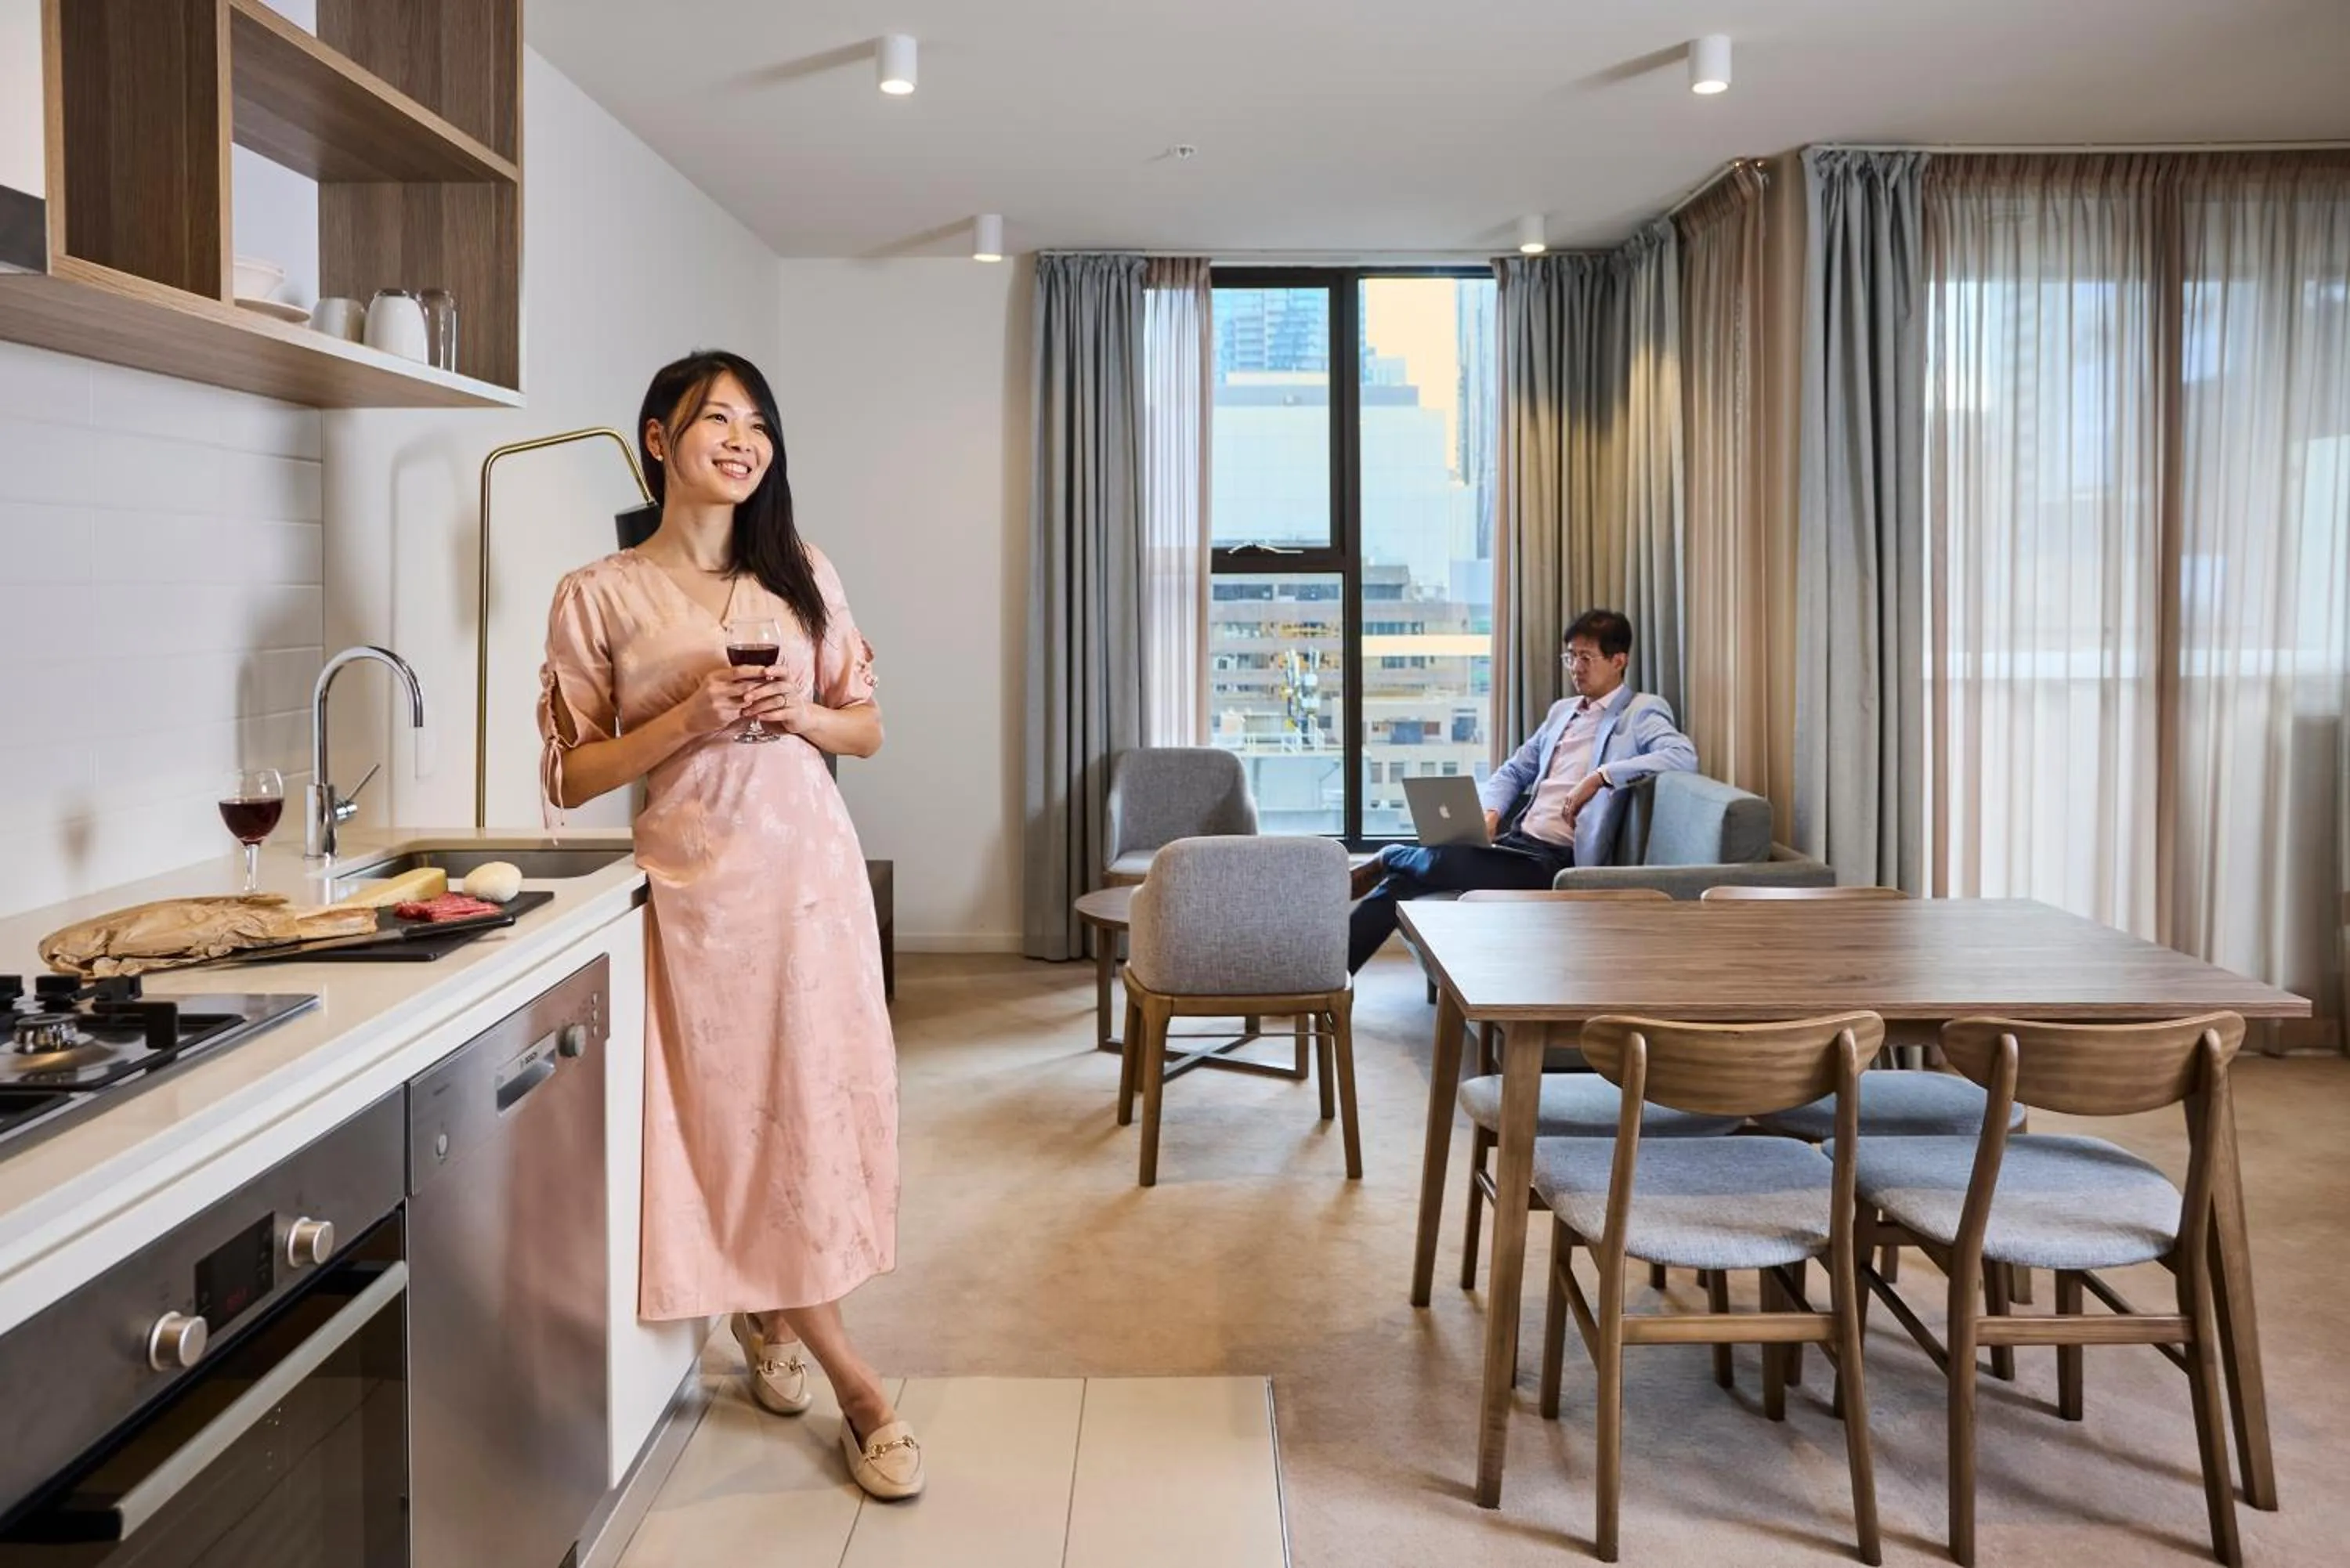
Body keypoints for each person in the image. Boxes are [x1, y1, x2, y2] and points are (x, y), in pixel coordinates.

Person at [537, 351, 920, 1501]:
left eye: (758, 422)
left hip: (813, 882)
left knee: (813, 1110)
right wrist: (685, 718)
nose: (742, 440)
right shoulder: (597, 592)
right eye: (716, 420)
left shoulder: (801, 569)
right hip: (699, 896)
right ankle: (859, 1385)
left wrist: (797, 710)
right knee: (733, 1127)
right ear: (658, 440)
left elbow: (865, 729)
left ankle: (766, 1313)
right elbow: (567, 773)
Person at [1347, 608, 1696, 972]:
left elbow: (1682, 756)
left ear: (1619, 660)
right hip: (1518, 845)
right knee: (1402, 885)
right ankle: (1331, 977)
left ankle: (1389, 856)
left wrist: (1601, 776)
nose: (1576, 667)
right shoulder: (1562, 711)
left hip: (1556, 862)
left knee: (1442, 860)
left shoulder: (1641, 711)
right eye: (1570, 656)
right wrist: (1492, 813)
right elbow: (1515, 771)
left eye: (1586, 657)